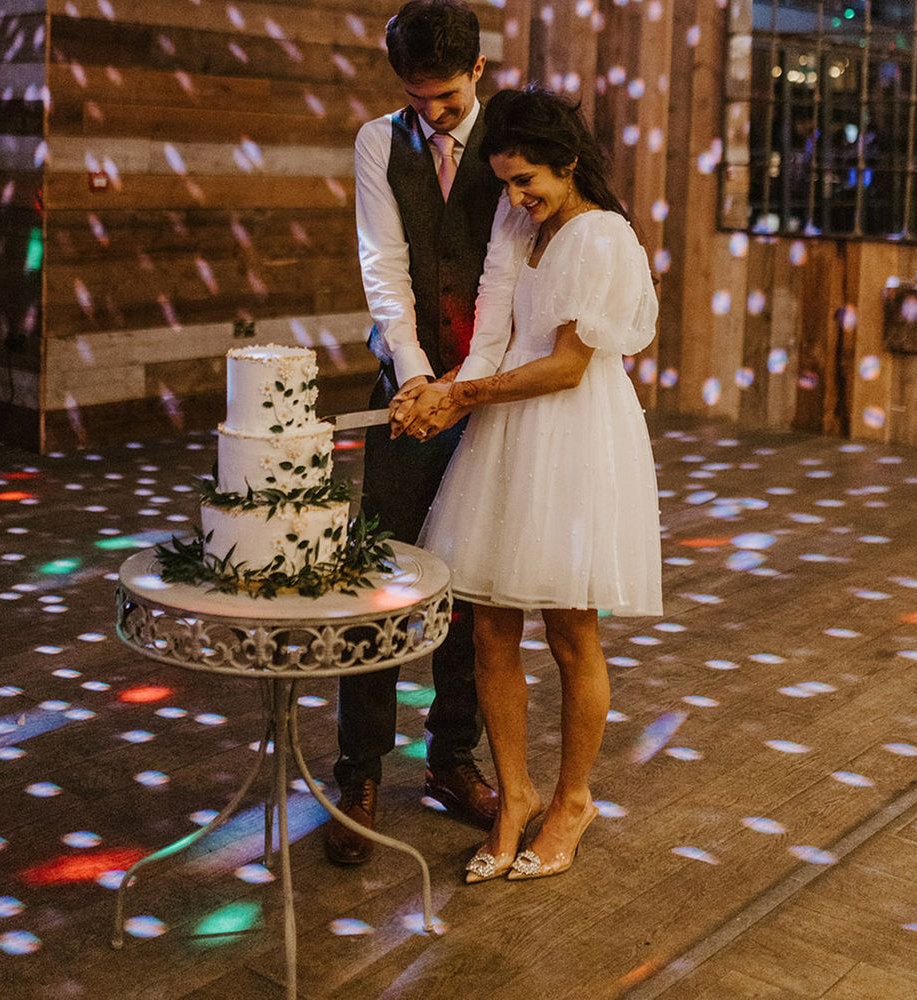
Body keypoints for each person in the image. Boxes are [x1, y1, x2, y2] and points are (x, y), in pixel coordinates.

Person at [393, 87, 663, 882]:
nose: (516, 198)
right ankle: (515, 795)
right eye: (508, 182)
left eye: (528, 181)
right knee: (489, 631)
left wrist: (465, 398)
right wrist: (444, 392)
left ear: (568, 163)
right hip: (507, 427)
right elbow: (494, 328)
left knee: (571, 629)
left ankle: (573, 798)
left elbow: (567, 365)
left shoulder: (604, 237)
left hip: (573, 433)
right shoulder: (518, 223)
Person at [326, 0, 515, 865]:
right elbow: (383, 266)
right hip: (407, 394)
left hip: (492, 395)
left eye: (444, 96)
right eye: (415, 96)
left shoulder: (516, 135)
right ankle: (358, 768)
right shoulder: (378, 142)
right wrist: (414, 379)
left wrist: (468, 388)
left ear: (478, 71)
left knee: (471, 585)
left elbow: (521, 274)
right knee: (381, 577)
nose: (430, 112)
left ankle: (451, 760)